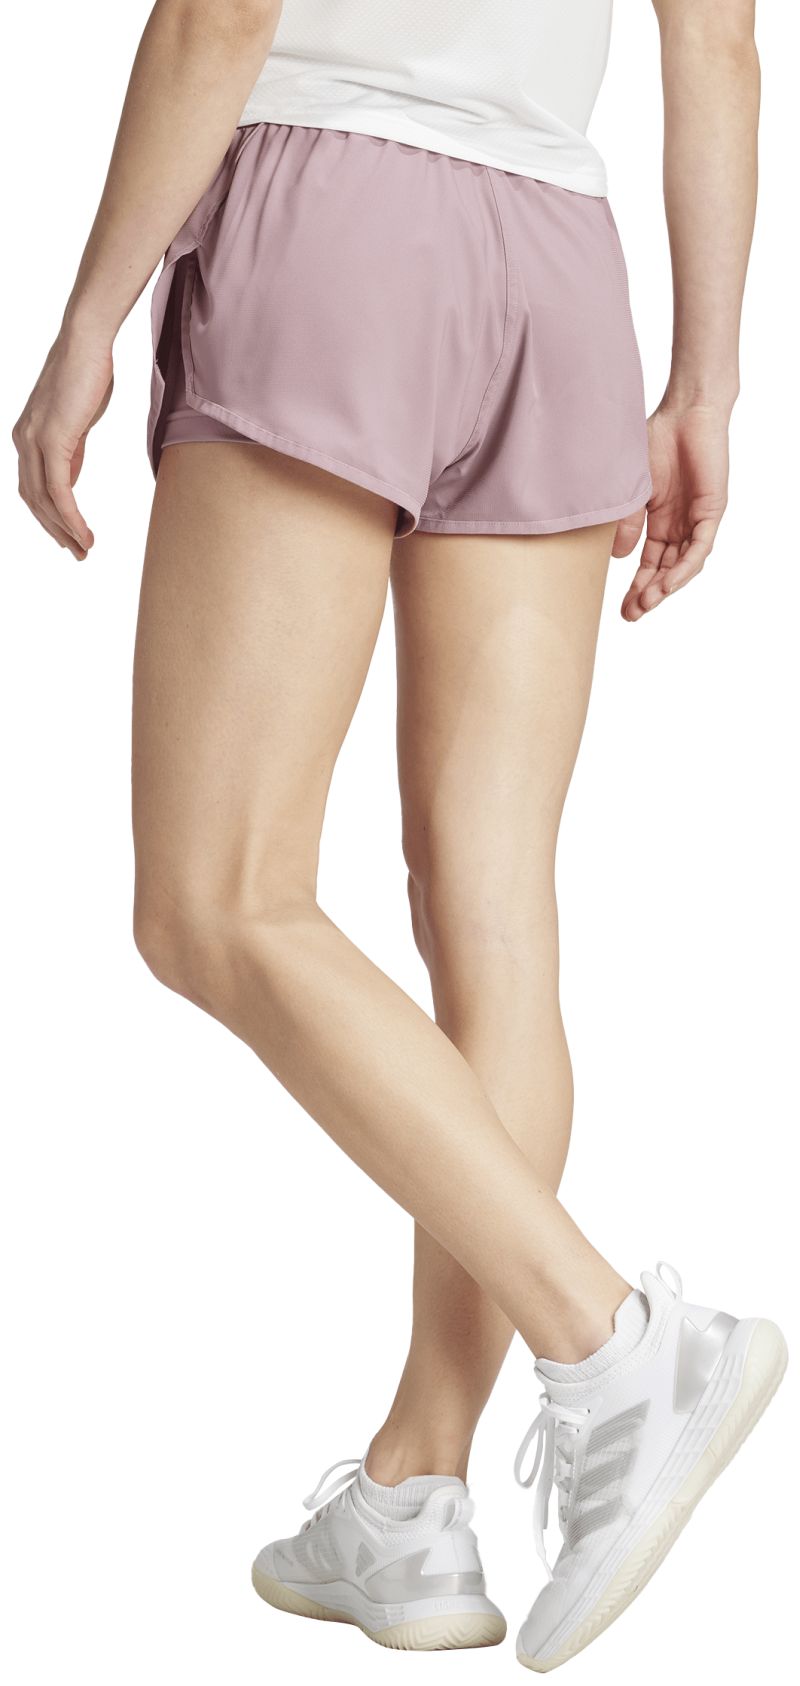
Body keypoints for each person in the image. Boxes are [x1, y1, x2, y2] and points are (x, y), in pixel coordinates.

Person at [12, 0, 785, 1670]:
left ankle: (616, 1342)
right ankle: (417, 1493)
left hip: (336, 215)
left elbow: (224, 12)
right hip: (558, 259)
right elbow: (717, 40)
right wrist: (707, 381)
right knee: (492, 917)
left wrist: (88, 317)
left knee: (215, 898)